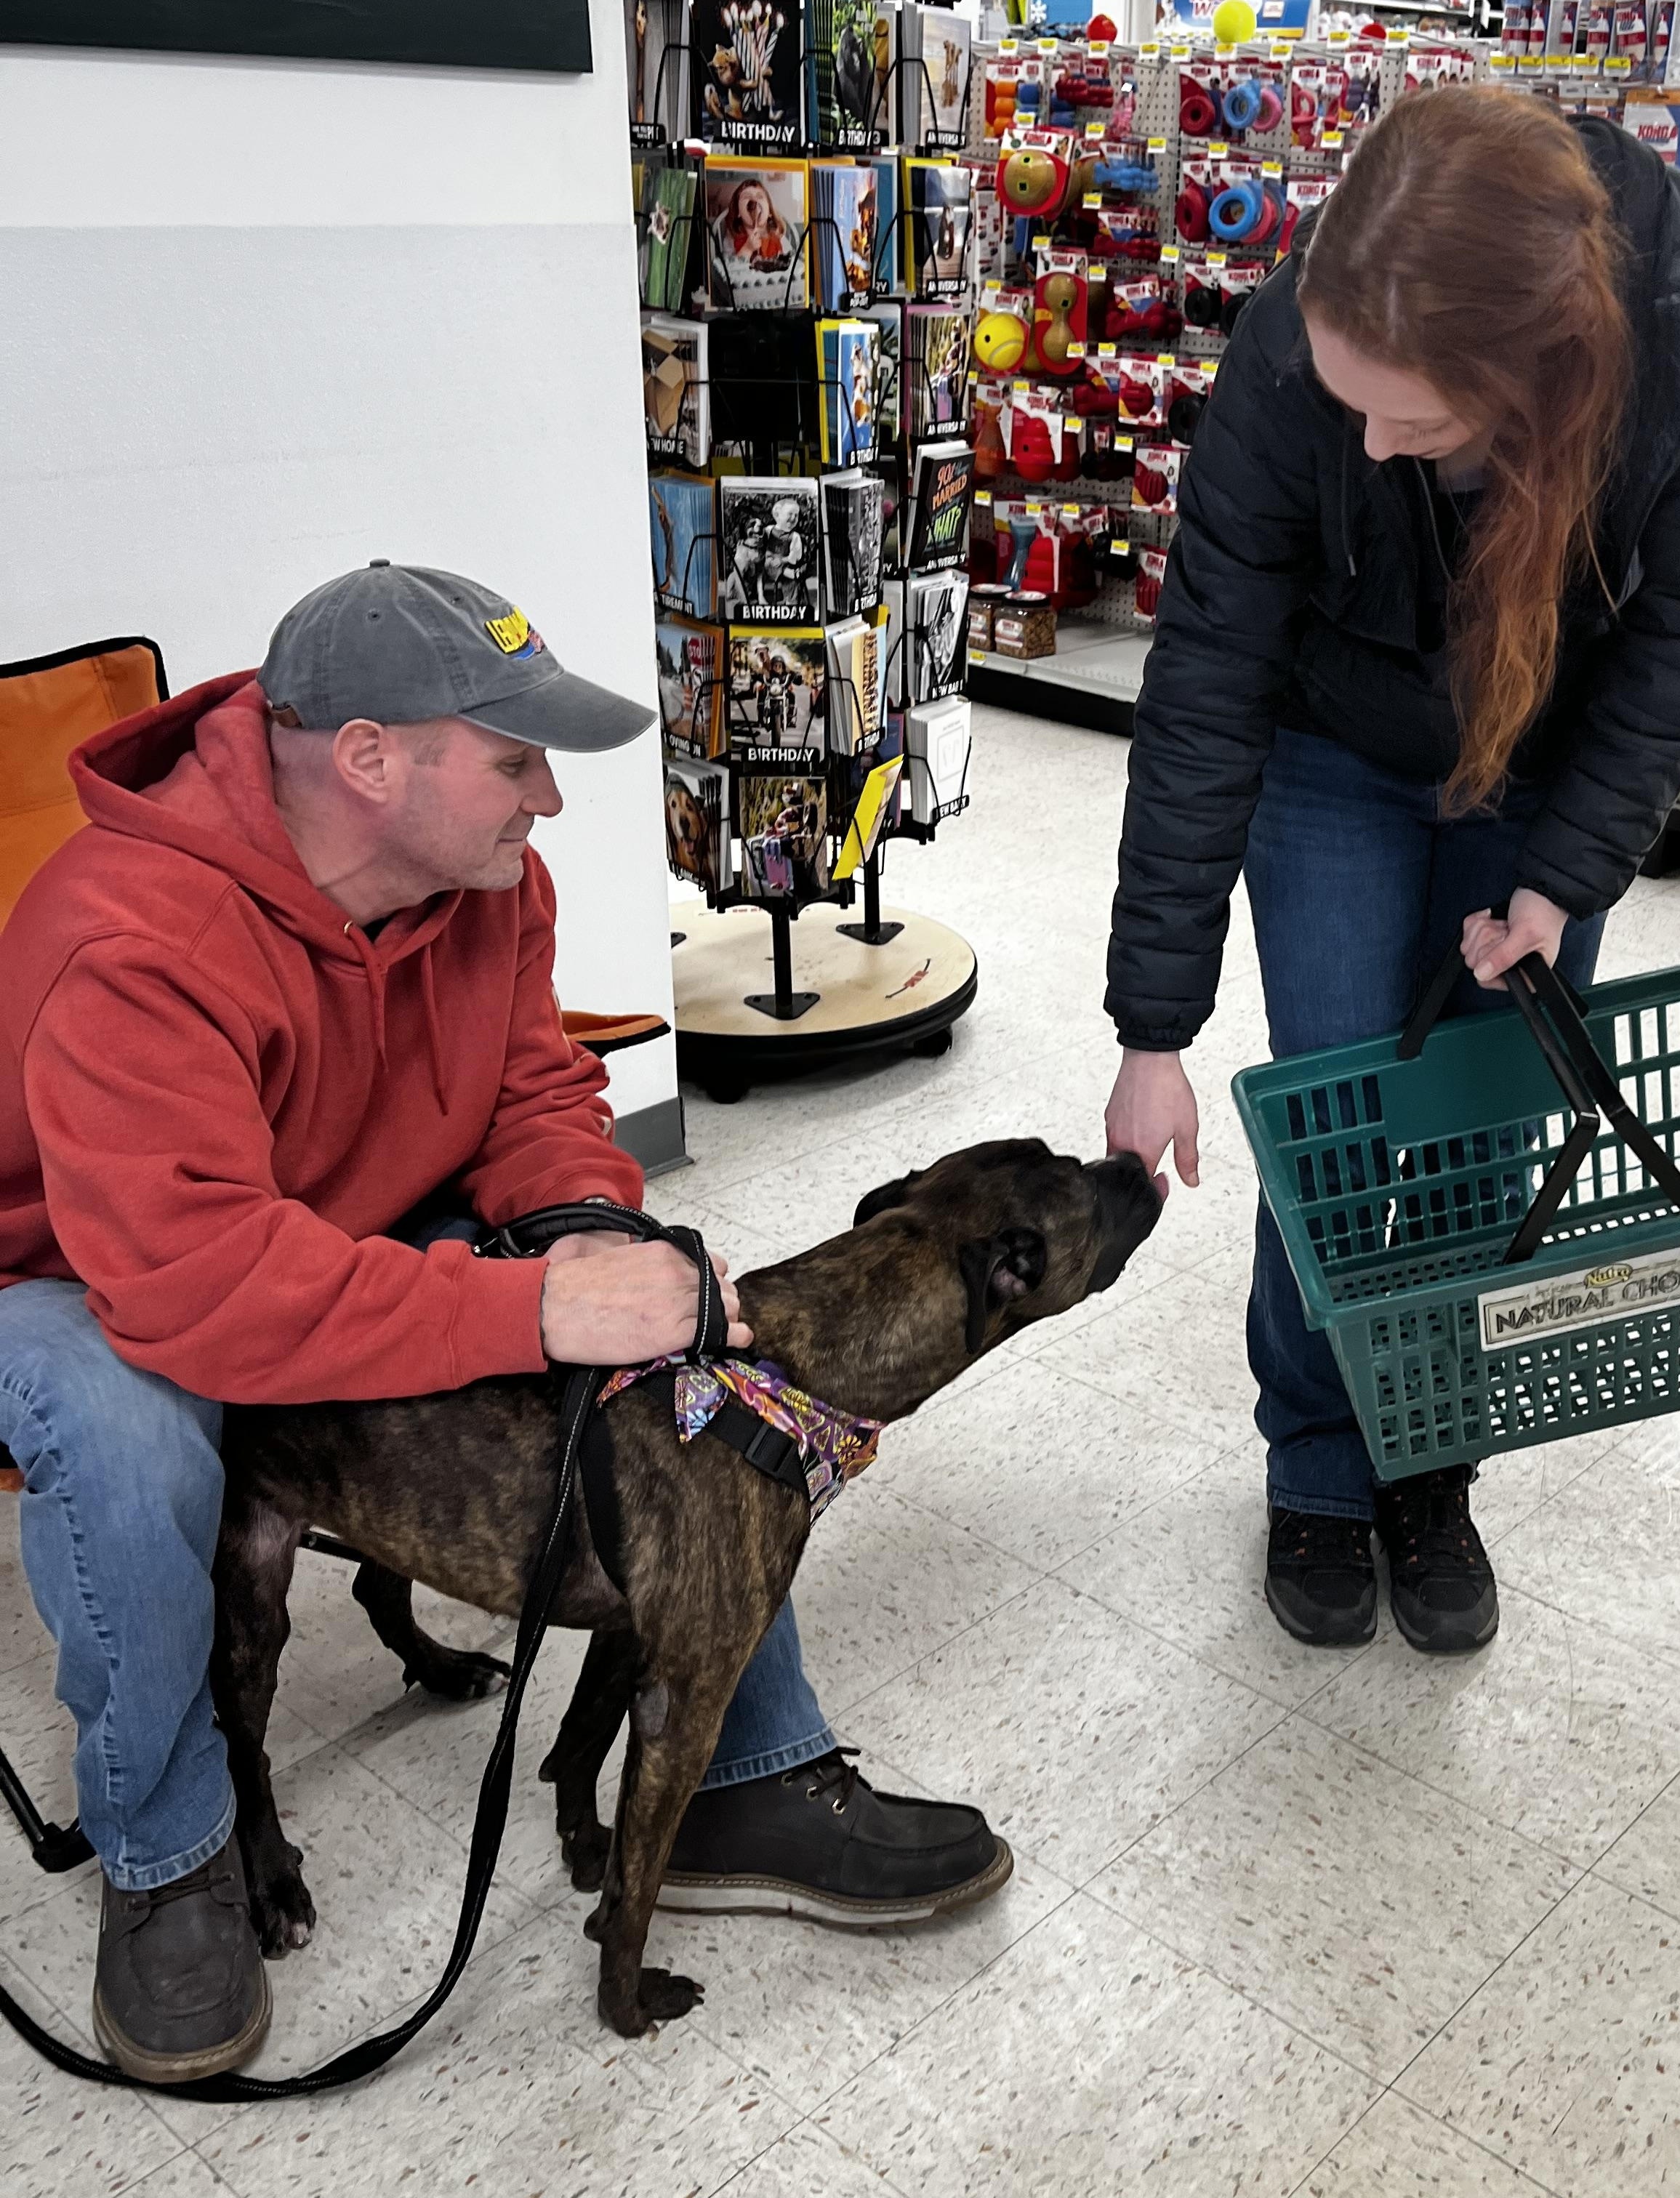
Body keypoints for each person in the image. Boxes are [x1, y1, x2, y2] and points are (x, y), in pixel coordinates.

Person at [0, 563, 1008, 2085]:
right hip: (81, 1266)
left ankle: (747, 1763)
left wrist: (606, 1243)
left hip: (336, 1212)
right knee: (134, 1443)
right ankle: (171, 1851)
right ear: (367, 759)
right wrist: (531, 1301)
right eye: (514, 758)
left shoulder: (479, 882)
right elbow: (196, 1284)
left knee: (675, 1337)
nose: (547, 799)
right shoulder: (130, 939)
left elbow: (532, 1092)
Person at [1102, 89, 1680, 1655]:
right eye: (1349, 404)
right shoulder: (1305, 340)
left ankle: (1436, 1460)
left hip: (1549, 762)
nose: (1370, 444)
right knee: (1333, 1115)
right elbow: (1207, 673)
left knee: (1487, 1124)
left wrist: (1562, 879)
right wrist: (1153, 1031)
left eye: (1411, 423)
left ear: (1532, 384)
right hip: (1331, 747)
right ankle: (1324, 1464)